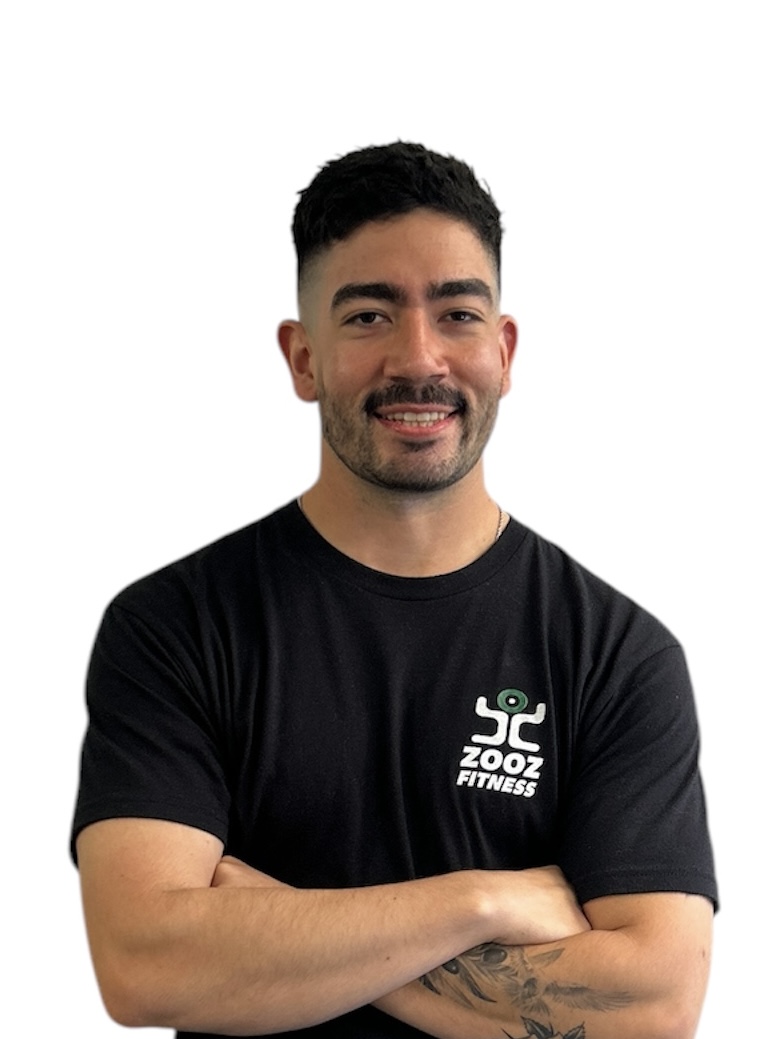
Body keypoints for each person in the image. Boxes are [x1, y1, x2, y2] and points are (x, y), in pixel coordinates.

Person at [72, 142, 717, 1039]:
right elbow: (146, 965)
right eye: (369, 315)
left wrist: (267, 928)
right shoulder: (176, 627)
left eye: (457, 314)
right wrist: (483, 900)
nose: (419, 358)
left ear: (503, 350)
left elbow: (652, 1005)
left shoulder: (615, 654)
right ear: (302, 358)